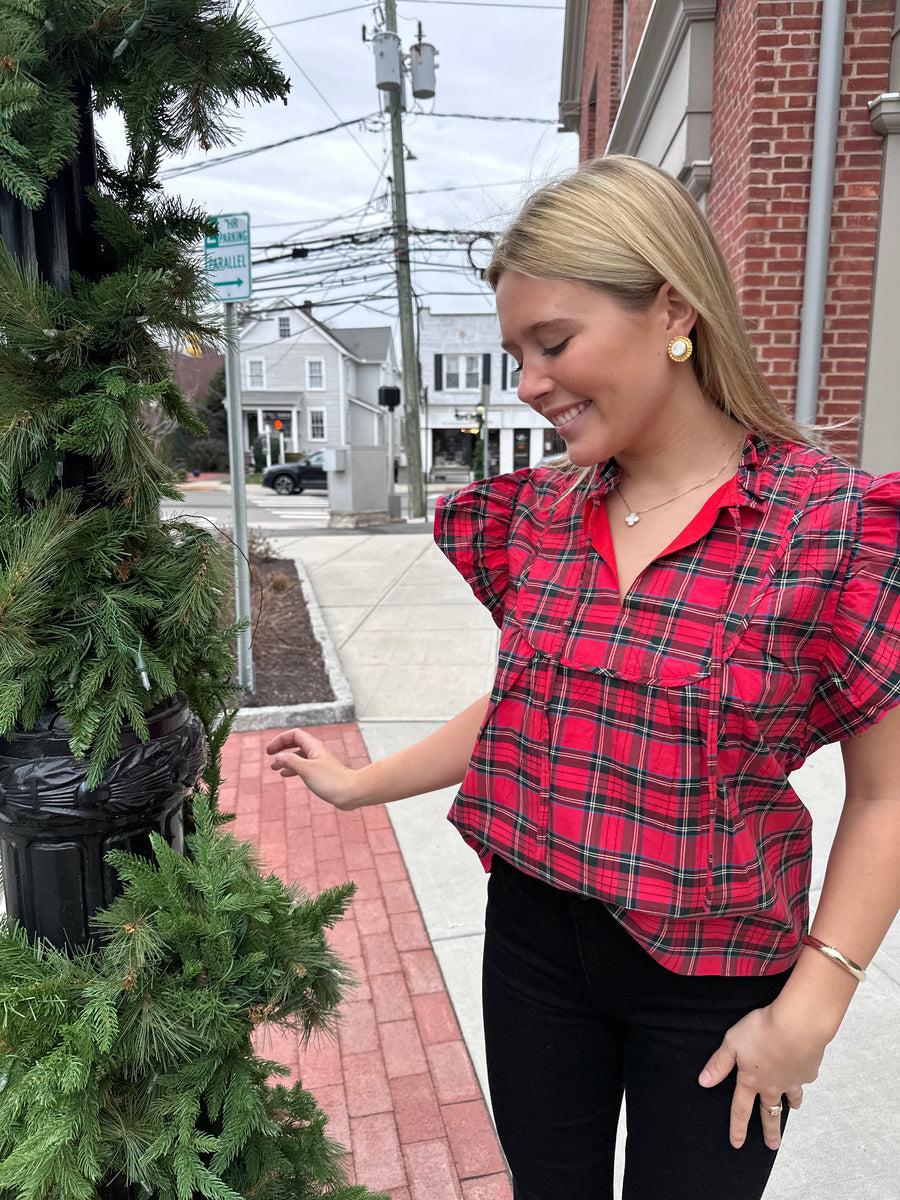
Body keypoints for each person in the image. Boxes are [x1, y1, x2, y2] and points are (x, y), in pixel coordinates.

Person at [266, 155, 900, 1199]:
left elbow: (882, 795)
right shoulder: (542, 515)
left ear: (673, 311)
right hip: (531, 947)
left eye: (553, 343)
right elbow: (531, 711)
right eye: (518, 352)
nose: (527, 383)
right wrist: (356, 784)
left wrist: (814, 1009)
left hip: (710, 979)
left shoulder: (825, 527)